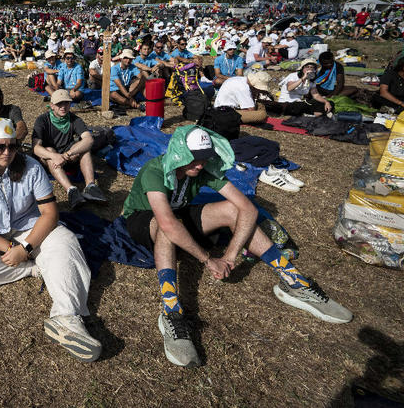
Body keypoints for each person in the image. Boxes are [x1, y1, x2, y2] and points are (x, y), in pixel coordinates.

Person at [122, 126, 352, 367]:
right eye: (194, 157)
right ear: (180, 153)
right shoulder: (154, 171)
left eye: (204, 157)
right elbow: (167, 223)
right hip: (142, 219)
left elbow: (247, 209)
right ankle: (171, 311)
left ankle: (293, 280)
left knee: (233, 210)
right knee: (168, 227)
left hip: (177, 216)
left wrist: (230, 256)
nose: (200, 164)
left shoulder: (202, 168)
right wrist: (208, 259)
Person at [0, 117, 103, 362]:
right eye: (0, 146)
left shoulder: (31, 167)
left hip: (27, 226)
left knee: (65, 243)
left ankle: (67, 317)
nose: (7, 152)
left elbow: (50, 213)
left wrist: (27, 245)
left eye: (12, 145)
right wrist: (12, 248)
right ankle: (32, 269)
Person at [32, 89, 107, 208]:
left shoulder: (74, 119)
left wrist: (67, 154)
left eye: (66, 103)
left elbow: (89, 139)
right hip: (51, 158)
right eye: (59, 104)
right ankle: (71, 190)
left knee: (84, 148)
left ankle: (90, 186)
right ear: (52, 106)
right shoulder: (42, 120)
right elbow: (36, 148)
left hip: (67, 155)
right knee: (50, 150)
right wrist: (54, 156)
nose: (63, 107)